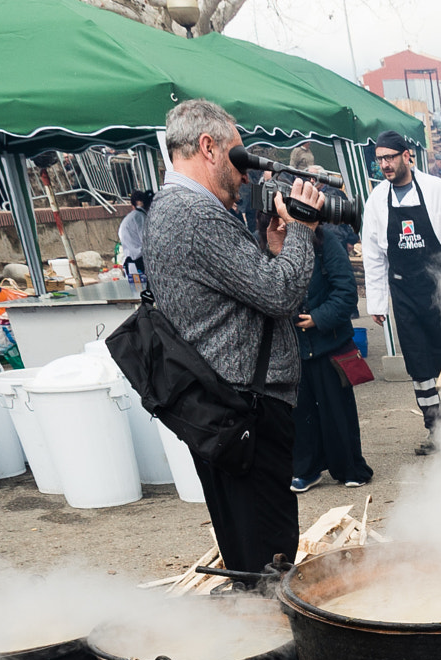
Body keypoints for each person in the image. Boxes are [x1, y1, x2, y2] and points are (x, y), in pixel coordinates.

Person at [143, 99, 323, 574]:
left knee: (251, 547)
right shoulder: (195, 215)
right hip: (246, 412)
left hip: (227, 408)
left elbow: (242, 290)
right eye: (238, 157)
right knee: (268, 560)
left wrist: (274, 247)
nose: (245, 175)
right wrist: (303, 229)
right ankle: (278, 644)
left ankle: (267, 634)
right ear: (208, 147)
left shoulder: (174, 209)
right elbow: (280, 294)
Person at [359, 129, 441, 451]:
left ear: (406, 156)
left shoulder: (435, 189)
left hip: (440, 288)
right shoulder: (376, 201)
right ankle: (437, 431)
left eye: (389, 157)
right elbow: (373, 254)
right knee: (418, 364)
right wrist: (377, 302)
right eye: (379, 160)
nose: (385, 165)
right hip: (403, 292)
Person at [290, 220, 371, 492]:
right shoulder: (265, 243)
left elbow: (347, 293)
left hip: (330, 344)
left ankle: (350, 466)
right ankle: (306, 469)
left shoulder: (326, 243)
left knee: (338, 411)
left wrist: (318, 318)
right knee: (299, 415)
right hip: (293, 349)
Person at [118, 190, 152, 284]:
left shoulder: (131, 217)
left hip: (131, 260)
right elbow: (147, 241)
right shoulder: (140, 217)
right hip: (139, 261)